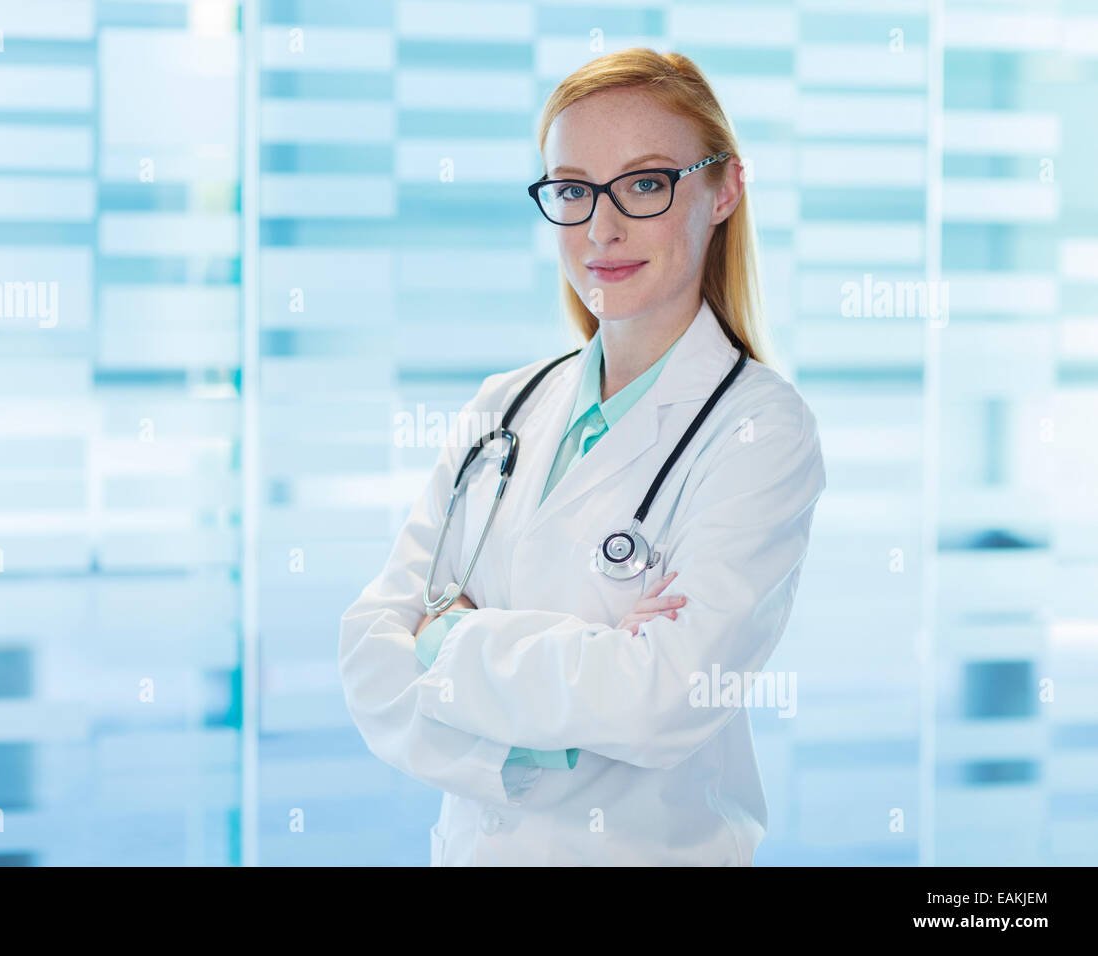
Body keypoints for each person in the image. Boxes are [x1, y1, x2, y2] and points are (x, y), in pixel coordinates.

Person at [338, 48, 827, 865]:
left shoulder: (761, 431)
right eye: (572, 189)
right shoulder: (503, 408)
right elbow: (366, 656)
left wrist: (444, 643)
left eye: (644, 184)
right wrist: (569, 705)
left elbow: (663, 700)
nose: (601, 228)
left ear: (724, 189)